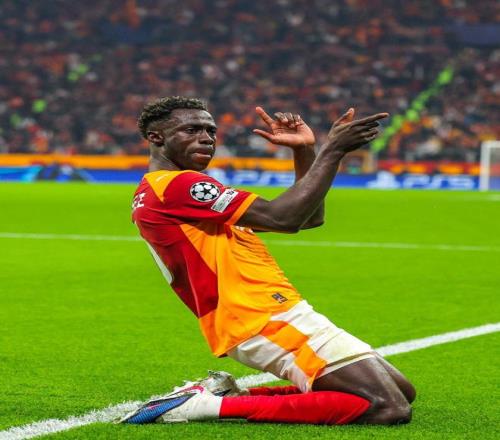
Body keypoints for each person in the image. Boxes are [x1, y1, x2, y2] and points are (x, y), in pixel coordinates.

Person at [123, 96, 415, 426]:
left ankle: (228, 396)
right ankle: (203, 406)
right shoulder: (177, 185)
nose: (206, 138)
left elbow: (307, 217)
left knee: (402, 392)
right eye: (191, 130)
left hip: (271, 310)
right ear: (156, 137)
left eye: (210, 131)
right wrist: (333, 150)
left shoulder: (167, 190)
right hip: (257, 315)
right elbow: (284, 218)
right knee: (387, 407)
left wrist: (304, 151)